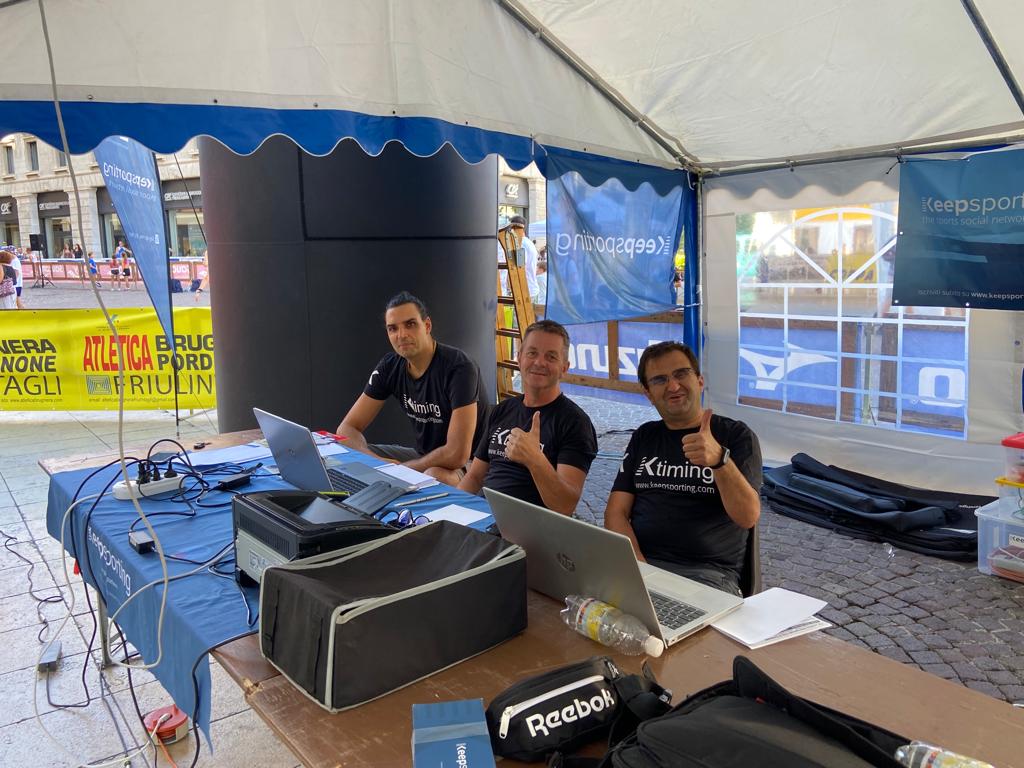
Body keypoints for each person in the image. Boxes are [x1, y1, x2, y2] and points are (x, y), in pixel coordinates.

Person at [603, 341, 762, 596]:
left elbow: (747, 516)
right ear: (648, 393)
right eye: (660, 380)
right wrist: (640, 569)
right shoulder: (644, 436)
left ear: (699, 381)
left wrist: (720, 461)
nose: (673, 386)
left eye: (681, 374)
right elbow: (615, 512)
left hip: (707, 576)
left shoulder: (735, 435)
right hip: (641, 564)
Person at [337, 291, 488, 485]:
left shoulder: (460, 368)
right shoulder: (390, 366)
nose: (401, 335)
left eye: (410, 324)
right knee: (347, 451)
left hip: (473, 465)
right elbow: (346, 429)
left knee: (435, 475)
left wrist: (400, 470)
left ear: (427, 326)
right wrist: (378, 463)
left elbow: (457, 454)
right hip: (424, 456)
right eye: (393, 328)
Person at [459, 319, 597, 515]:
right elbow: (474, 477)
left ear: (564, 368)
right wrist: (452, 511)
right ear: (519, 358)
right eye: (532, 353)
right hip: (483, 514)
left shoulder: (575, 423)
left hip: (529, 526)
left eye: (551, 357)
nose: (539, 362)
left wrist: (534, 459)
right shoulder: (502, 410)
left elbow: (565, 506)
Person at [509, 215, 539, 303]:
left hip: (525, 291)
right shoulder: (528, 242)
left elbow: (520, 267)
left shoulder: (521, 243)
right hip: (530, 289)